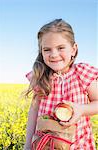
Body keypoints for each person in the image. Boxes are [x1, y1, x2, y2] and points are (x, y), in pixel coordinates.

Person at [24, 19, 98, 150]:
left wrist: (82, 110)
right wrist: (28, 145)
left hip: (78, 145)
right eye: (47, 49)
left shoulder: (82, 73)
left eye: (60, 48)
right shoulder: (40, 77)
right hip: (44, 145)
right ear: (41, 52)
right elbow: (33, 113)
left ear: (73, 49)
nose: (54, 54)